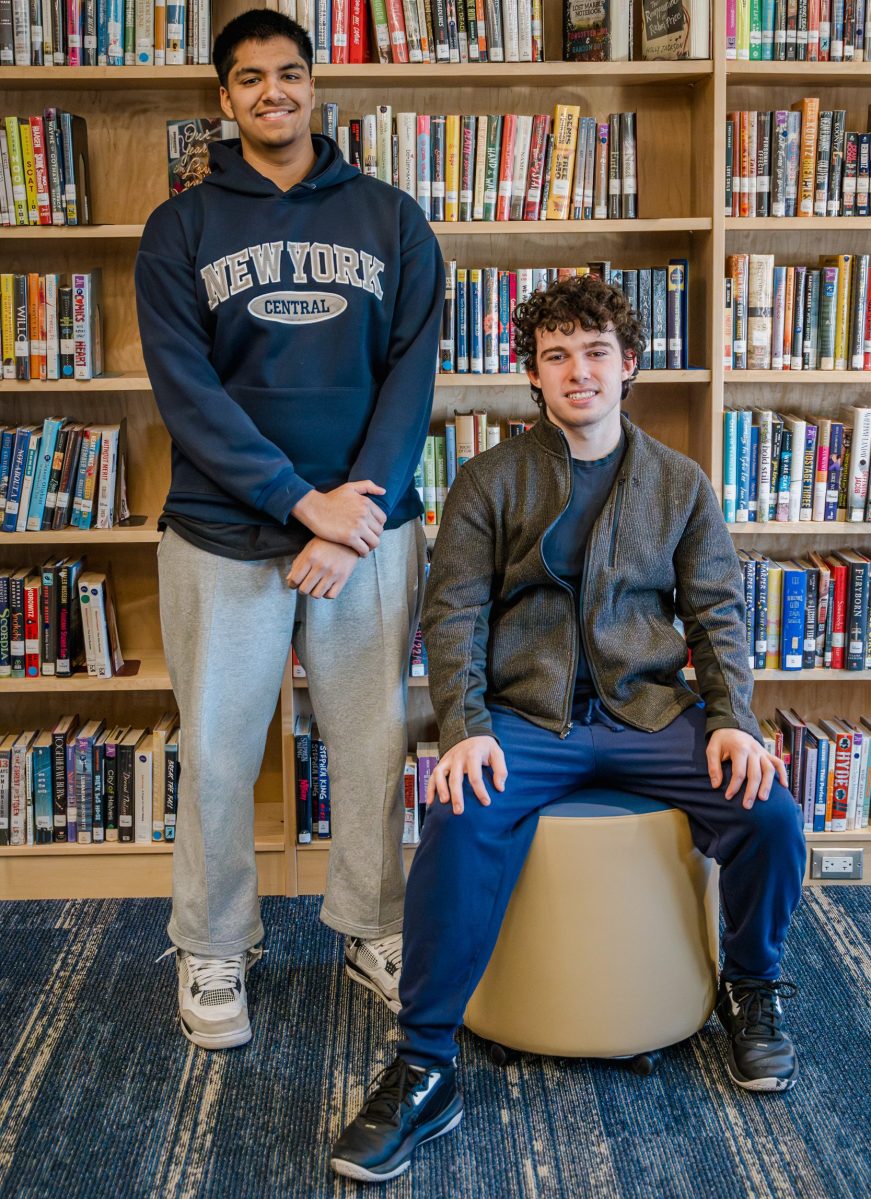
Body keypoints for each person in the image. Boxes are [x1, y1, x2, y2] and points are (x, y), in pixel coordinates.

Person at [331, 275, 806, 1182]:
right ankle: (426, 1064)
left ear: (629, 364)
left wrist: (734, 720)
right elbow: (455, 613)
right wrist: (462, 727)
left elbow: (715, 616)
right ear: (535, 377)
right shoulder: (490, 478)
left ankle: (750, 987)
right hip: (524, 718)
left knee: (771, 814)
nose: (577, 371)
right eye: (556, 356)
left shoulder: (680, 482)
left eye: (595, 352)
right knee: (458, 818)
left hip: (648, 712)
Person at [134, 8, 444, 1050]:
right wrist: (297, 501)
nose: (274, 92)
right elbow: (188, 393)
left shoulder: (392, 218)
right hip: (224, 532)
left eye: (291, 74)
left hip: (365, 529)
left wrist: (348, 507)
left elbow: (410, 378)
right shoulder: (178, 229)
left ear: (316, 86)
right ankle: (215, 944)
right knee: (218, 755)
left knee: (369, 743)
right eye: (251, 78)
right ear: (223, 99)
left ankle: (372, 926)